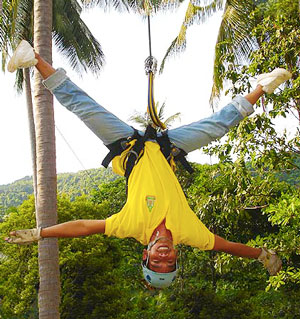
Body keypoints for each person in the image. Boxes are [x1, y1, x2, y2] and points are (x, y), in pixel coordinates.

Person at [5, 40, 291, 288]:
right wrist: (263, 255)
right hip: (168, 149)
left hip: (130, 147)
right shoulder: (191, 233)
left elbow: (83, 226)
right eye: (169, 263)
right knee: (217, 126)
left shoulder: (131, 225)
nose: (164, 258)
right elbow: (229, 247)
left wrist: (41, 233)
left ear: (146, 254)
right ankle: (261, 88)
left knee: (84, 107)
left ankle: (35, 59)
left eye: (157, 262)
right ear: (177, 256)